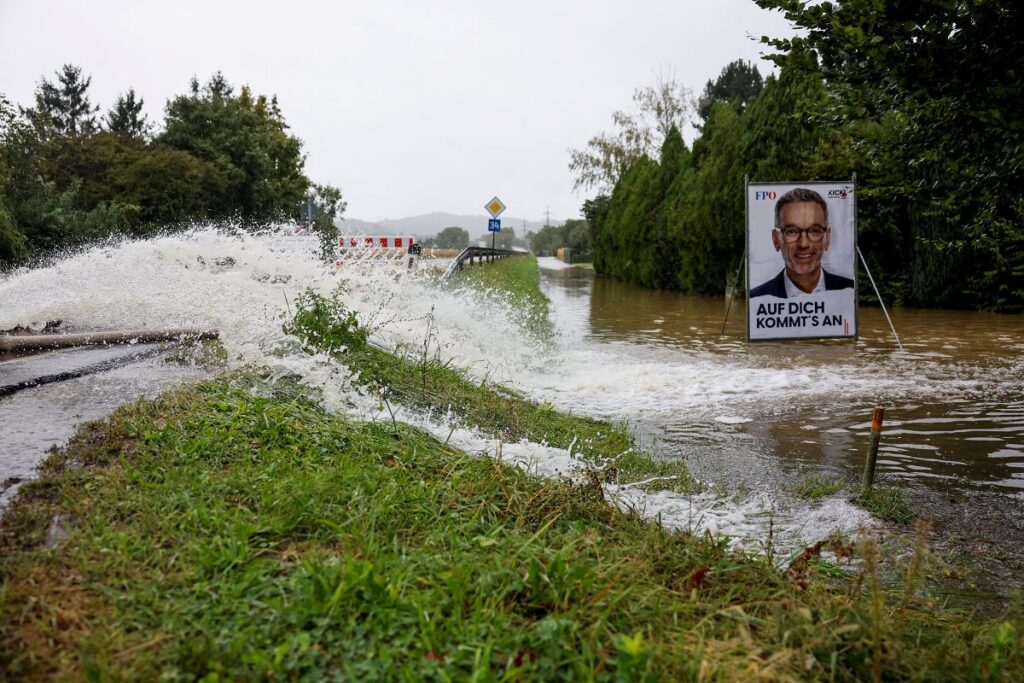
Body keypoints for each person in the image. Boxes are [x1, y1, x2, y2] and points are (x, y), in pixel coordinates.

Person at [749, 187, 854, 298]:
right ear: (776, 239)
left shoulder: (850, 292)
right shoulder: (756, 298)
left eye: (814, 231)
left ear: (827, 238)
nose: (803, 244)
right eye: (792, 232)